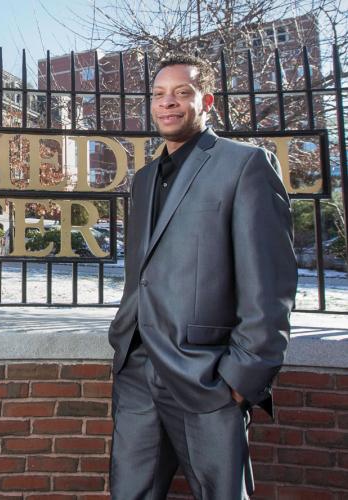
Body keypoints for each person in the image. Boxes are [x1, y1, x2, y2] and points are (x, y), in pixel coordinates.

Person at [107, 53, 297, 499]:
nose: (166, 103)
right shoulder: (144, 179)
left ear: (205, 100)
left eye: (181, 92)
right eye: (158, 94)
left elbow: (270, 285)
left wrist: (242, 378)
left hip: (208, 376)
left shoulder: (245, 164)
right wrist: (123, 342)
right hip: (137, 371)